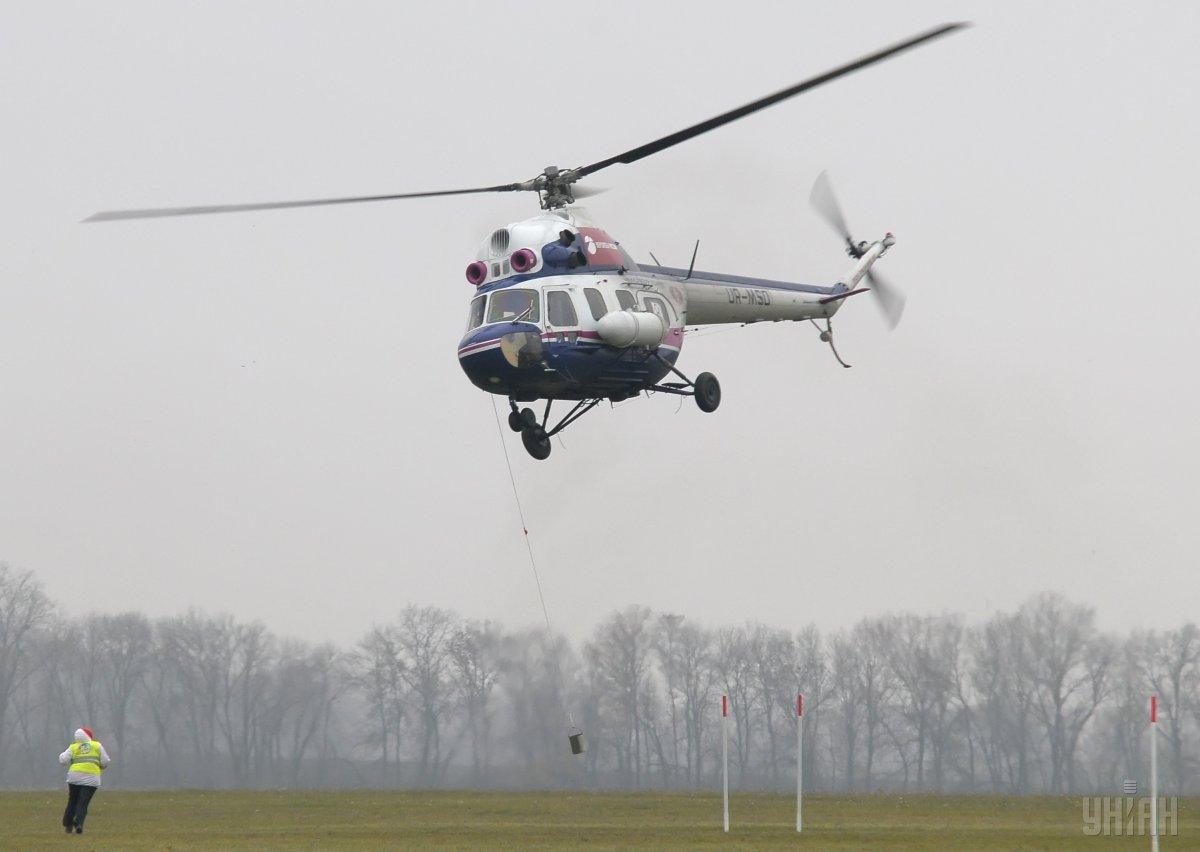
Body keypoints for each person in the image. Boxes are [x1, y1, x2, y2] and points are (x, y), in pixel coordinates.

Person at [58, 727, 110, 835]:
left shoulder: (73, 747)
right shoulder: (97, 745)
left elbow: (63, 761)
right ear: (89, 737)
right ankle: (79, 824)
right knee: (83, 802)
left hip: (74, 777)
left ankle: (67, 823)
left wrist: (61, 755)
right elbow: (105, 762)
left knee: (72, 800)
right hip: (92, 778)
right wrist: (100, 766)